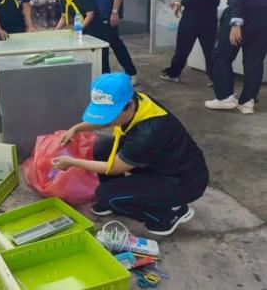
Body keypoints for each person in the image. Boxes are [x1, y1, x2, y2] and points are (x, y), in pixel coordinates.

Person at [53, 73, 209, 236]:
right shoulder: (137, 101)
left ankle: (168, 215)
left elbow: (113, 168)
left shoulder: (148, 132)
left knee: (105, 195)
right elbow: (106, 120)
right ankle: (120, 196)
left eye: (111, 114)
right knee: (103, 147)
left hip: (184, 181)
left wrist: (72, 162)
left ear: (129, 104)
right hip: (160, 162)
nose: (108, 120)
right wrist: (76, 129)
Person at [205, 0, 267, 114]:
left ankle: (224, 97)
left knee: (221, 56)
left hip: (241, 18)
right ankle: (247, 102)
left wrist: (236, 23)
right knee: (254, 60)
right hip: (263, 20)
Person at [161, 0, 220, 83]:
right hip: (210, 18)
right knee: (210, 51)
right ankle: (216, 79)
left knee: (182, 48)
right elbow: (216, 0)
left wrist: (180, 3)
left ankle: (174, 74)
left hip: (192, 19)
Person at [51, 0, 110, 72]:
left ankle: (105, 80)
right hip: (81, 33)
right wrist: (55, 31)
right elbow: (64, 17)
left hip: (96, 32)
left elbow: (90, 15)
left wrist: (79, 29)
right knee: (86, 63)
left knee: (101, 63)